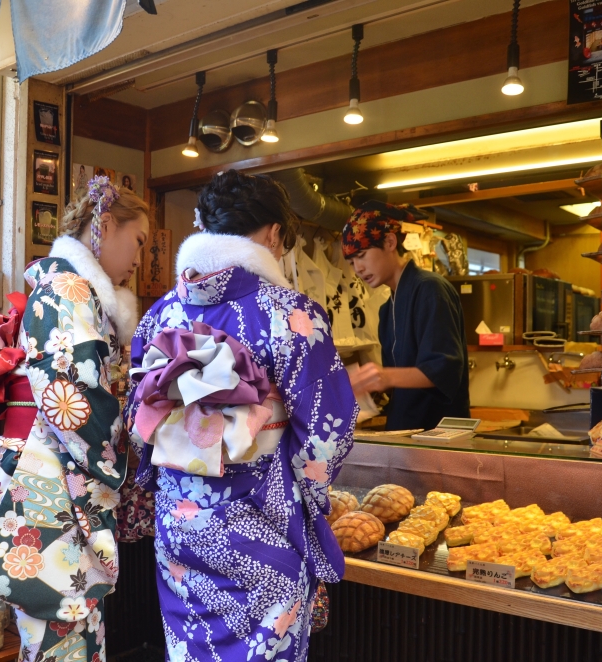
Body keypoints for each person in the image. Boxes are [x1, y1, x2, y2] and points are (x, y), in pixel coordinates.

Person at [124, 170, 357, 661]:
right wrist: (306, 500)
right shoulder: (292, 316)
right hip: (259, 522)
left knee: (192, 650)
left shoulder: (160, 315)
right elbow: (326, 432)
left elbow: (139, 420)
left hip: (180, 522)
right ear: (273, 234)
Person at [0, 176, 149, 662]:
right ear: (103, 225)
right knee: (61, 634)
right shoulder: (68, 290)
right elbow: (71, 399)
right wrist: (129, 440)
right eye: (139, 241)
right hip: (48, 477)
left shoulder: (70, 289)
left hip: (46, 469)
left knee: (66, 634)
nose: (139, 258)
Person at [342, 201, 469, 431]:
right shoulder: (386, 308)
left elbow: (444, 369)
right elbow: (399, 380)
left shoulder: (431, 289)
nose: (357, 269)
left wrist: (383, 376)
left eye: (361, 255)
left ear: (390, 242)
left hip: (438, 434)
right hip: (405, 432)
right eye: (351, 262)